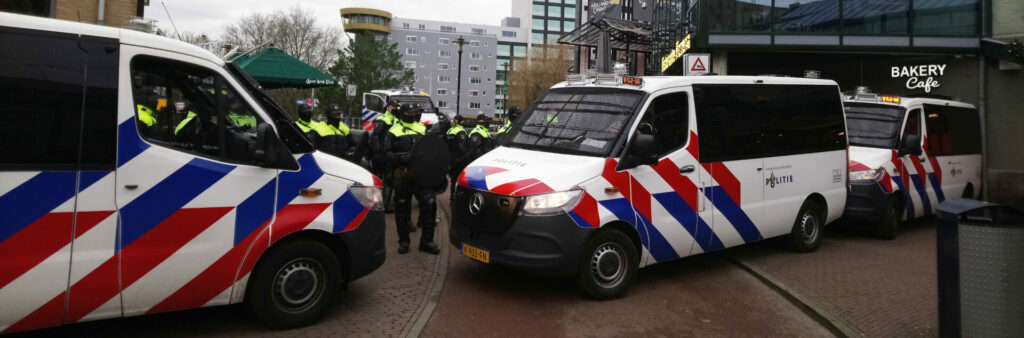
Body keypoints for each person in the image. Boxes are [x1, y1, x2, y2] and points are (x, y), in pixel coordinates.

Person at [384, 103, 439, 254]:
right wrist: (401, 159)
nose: (411, 115)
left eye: (413, 112)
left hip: (421, 173)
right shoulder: (393, 131)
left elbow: (430, 149)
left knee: (430, 203)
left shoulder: (422, 128)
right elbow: (387, 153)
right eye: (408, 113)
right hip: (402, 173)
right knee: (402, 206)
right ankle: (403, 241)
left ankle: (427, 241)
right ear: (402, 114)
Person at [370, 98, 401, 213]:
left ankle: (385, 204)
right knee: (378, 178)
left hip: (390, 153)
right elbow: (376, 136)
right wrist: (379, 151)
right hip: (382, 154)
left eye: (397, 107)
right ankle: (375, 204)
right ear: (388, 107)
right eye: (394, 106)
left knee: (389, 180)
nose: (395, 108)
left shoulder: (396, 119)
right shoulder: (382, 118)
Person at [445, 114, 469, 199]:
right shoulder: (460, 131)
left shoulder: (449, 131)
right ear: (460, 122)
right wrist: (466, 157)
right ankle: (458, 199)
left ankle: (452, 198)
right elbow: (463, 146)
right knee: (460, 180)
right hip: (459, 160)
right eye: (462, 120)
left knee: (453, 180)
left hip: (451, 160)